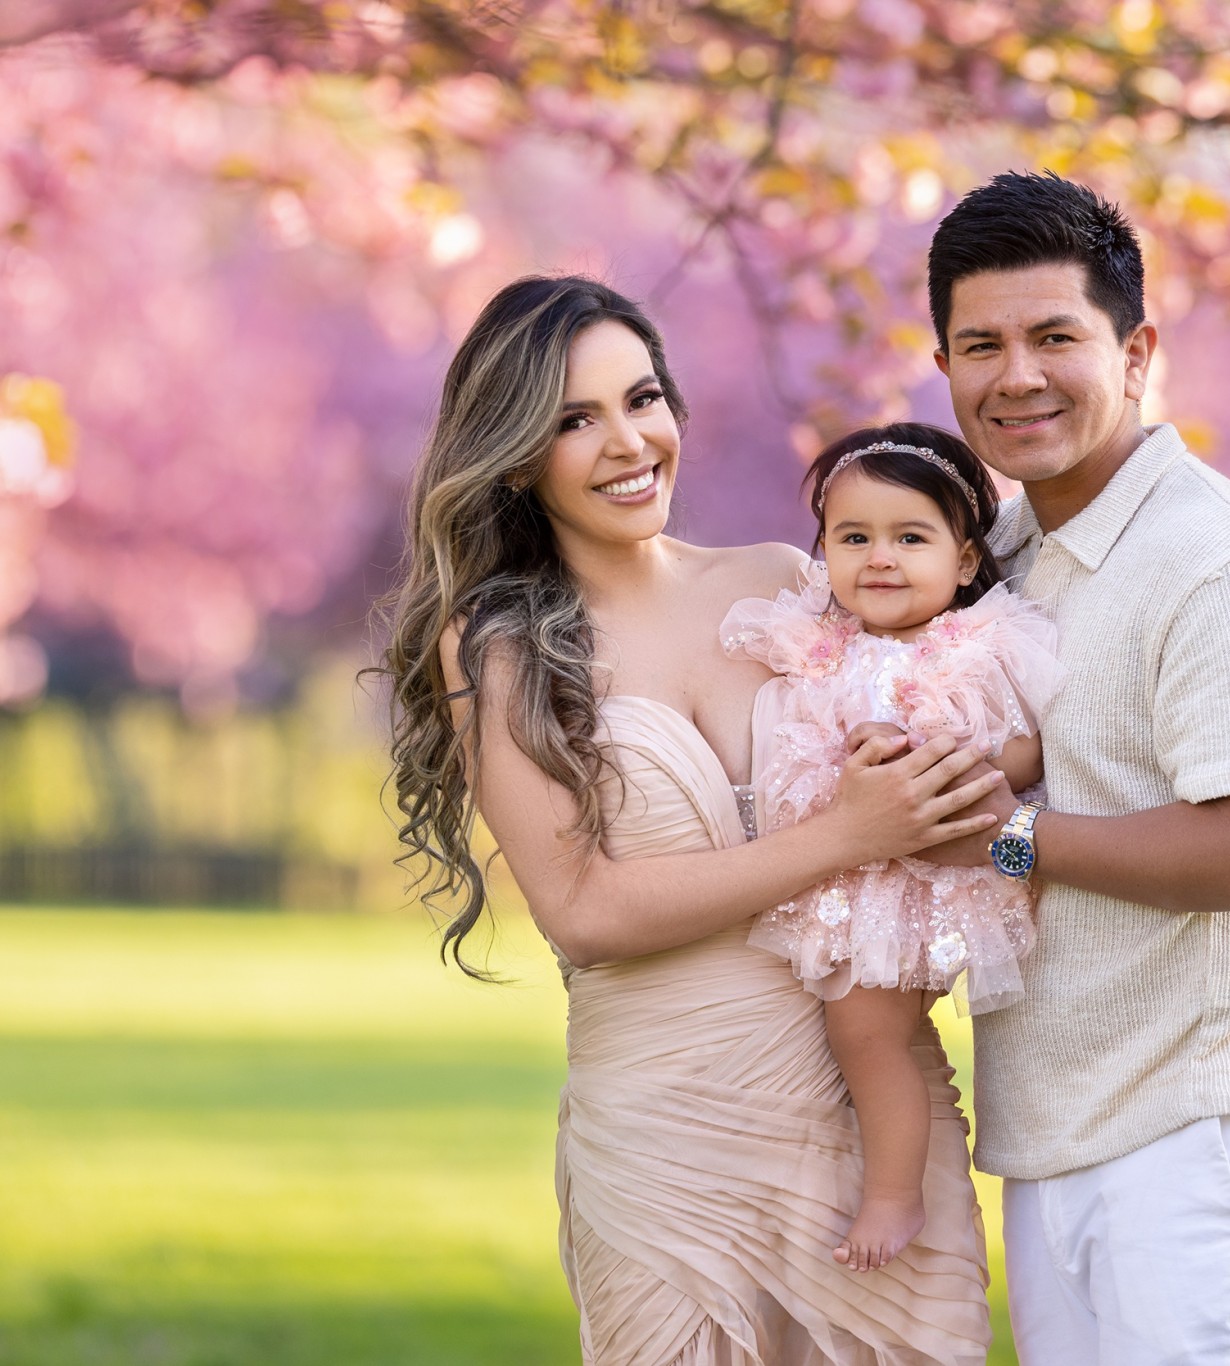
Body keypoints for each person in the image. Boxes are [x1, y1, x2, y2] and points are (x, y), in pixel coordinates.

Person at [378, 275, 999, 1365]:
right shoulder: (502, 644)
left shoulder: (784, 583)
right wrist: (843, 837)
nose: (628, 442)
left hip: (866, 1116)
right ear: (518, 452)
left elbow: (948, 698)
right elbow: (582, 911)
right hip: (669, 1135)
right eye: (575, 419)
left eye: (642, 397)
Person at [924, 172, 1230, 1364]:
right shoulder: (1003, 554)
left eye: (1054, 336)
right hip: (1054, 1132)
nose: (1015, 375)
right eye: (981, 345)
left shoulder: (1217, 558)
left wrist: (1000, 835)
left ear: (1135, 353)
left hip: (1202, 1138)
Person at [722, 421, 1063, 1273]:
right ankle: (889, 1182)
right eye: (854, 537)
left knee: (867, 1038)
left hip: (933, 878)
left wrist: (943, 753)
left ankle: (894, 1194)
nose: (880, 557)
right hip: (859, 877)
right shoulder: (824, 644)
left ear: (965, 560)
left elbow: (1026, 746)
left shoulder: (981, 644)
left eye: (910, 537)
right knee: (861, 1036)